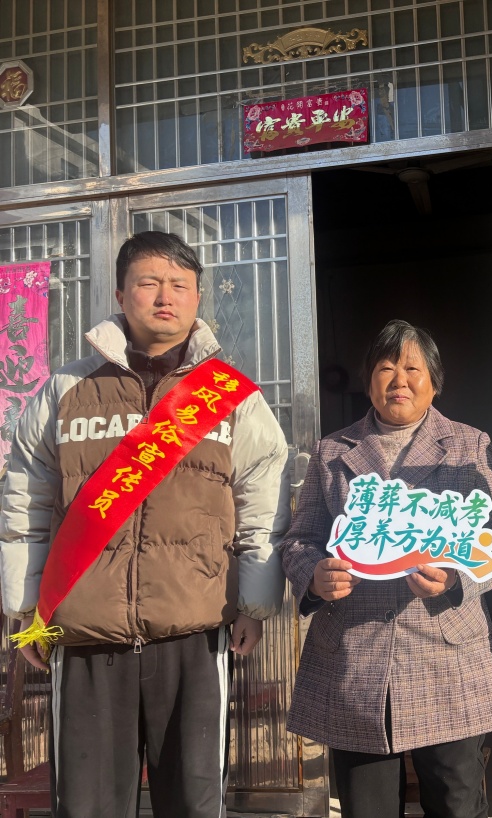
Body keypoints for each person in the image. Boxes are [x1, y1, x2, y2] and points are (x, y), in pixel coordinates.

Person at [0, 231, 289, 818]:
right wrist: (25, 609)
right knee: (87, 805)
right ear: (120, 294)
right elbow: (24, 501)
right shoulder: (67, 389)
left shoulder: (231, 397)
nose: (165, 297)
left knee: (193, 799)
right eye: (149, 282)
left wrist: (255, 606)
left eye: (179, 285)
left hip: (193, 630)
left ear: (197, 297)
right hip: (85, 631)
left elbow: (263, 506)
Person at [280, 319, 492, 818]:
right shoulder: (332, 451)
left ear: (434, 381)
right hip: (355, 656)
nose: (399, 381)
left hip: (446, 652)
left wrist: (458, 578)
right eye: (386, 368)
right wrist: (314, 576)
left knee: (457, 804)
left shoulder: (468, 444)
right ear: (369, 382)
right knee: (366, 807)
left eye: (413, 369)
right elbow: (300, 539)